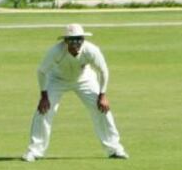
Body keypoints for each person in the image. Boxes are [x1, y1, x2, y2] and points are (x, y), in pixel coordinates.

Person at [22, 24, 128, 162]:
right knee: (44, 111)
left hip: (84, 79)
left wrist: (102, 95)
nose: (76, 43)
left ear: (83, 39)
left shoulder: (91, 50)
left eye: (79, 39)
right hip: (57, 80)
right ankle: (35, 151)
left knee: (102, 109)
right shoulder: (55, 51)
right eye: (72, 40)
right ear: (65, 41)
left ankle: (115, 149)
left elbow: (103, 71)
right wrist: (44, 96)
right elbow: (41, 71)